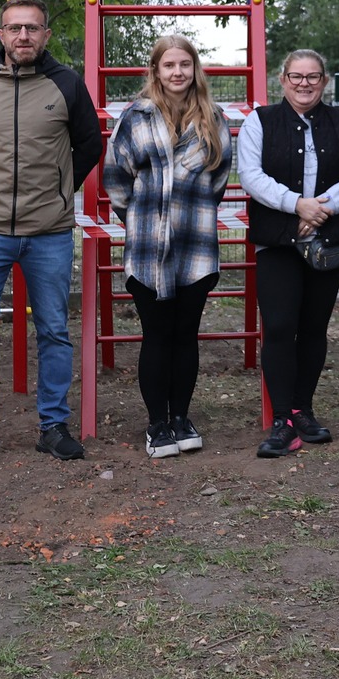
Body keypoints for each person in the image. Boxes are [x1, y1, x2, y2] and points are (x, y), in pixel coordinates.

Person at [0, 0, 104, 464]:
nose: (23, 36)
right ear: (1, 35)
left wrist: (59, 190)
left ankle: (53, 426)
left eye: (32, 28)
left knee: (54, 330)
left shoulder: (67, 85)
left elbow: (89, 144)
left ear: (46, 35)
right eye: (14, 28)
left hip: (49, 231)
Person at [236, 49, 339, 457]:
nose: (304, 84)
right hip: (277, 240)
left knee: (314, 328)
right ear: (282, 80)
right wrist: (296, 205)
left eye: (313, 76)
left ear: (324, 82)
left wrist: (320, 209)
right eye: (296, 76)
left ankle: (303, 410)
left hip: (327, 238)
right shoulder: (260, 121)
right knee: (279, 326)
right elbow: (251, 175)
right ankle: (282, 420)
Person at [103, 33, 233, 459]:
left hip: (196, 245)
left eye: (185, 64)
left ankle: (182, 418)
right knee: (156, 335)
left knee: (186, 335)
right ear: (156, 71)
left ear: (195, 69)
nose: (178, 72)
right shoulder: (135, 117)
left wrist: (190, 212)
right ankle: (157, 424)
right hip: (146, 248)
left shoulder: (214, 118)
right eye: (169, 65)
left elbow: (218, 179)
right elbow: (116, 179)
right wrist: (142, 218)